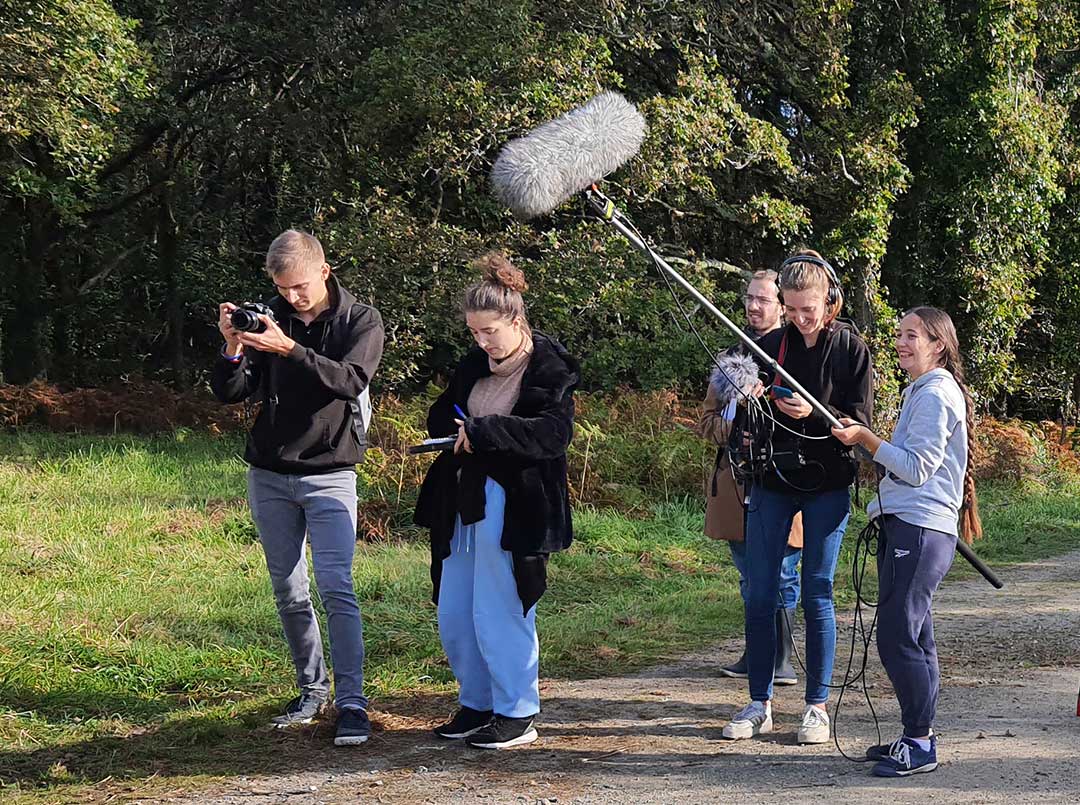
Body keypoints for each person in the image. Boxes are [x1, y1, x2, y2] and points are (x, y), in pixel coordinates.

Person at [211, 229, 384, 746]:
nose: (292, 298)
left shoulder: (361, 320)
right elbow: (233, 393)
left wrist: (290, 348)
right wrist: (233, 346)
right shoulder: (270, 317)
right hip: (270, 472)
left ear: (324, 271)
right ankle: (312, 690)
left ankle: (352, 701)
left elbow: (350, 380)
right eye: (283, 289)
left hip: (331, 472)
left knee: (337, 588)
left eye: (300, 287)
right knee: (289, 591)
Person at [414, 253, 579, 750]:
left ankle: (517, 711)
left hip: (517, 503)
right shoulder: (473, 365)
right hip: (461, 497)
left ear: (515, 319)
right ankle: (477, 702)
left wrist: (485, 432)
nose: (481, 342)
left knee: (501, 606)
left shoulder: (550, 367)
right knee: (456, 607)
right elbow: (442, 414)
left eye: (489, 331)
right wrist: (452, 432)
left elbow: (554, 434)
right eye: (473, 333)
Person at [722, 249, 872, 744]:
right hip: (771, 481)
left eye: (810, 309)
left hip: (827, 483)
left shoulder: (851, 349)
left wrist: (816, 413)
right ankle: (759, 702)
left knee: (817, 592)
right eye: (792, 309)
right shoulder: (770, 346)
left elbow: (861, 424)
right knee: (759, 592)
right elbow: (742, 417)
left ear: (830, 299)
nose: (802, 319)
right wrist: (756, 401)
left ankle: (816, 706)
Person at [831, 306, 982, 777]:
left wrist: (867, 440)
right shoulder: (925, 390)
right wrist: (864, 441)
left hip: (920, 528)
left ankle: (920, 744)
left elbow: (917, 469)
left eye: (911, 335)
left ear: (938, 344)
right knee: (916, 636)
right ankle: (919, 735)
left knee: (898, 636)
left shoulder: (936, 394)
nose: (900, 342)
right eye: (899, 334)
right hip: (912, 526)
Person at [696, 270, 803, 685]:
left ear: (782, 306)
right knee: (749, 574)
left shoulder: (797, 355)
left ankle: (781, 658)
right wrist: (738, 417)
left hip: (784, 476)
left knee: (784, 572)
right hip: (738, 481)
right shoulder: (731, 358)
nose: (754, 307)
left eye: (764, 300)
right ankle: (756, 652)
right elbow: (706, 423)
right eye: (750, 298)